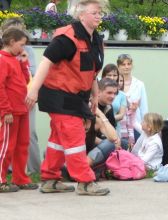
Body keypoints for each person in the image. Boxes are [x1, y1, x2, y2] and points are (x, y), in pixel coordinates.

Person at [25, 0, 110, 196]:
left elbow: (91, 71)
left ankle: (49, 178)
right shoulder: (67, 37)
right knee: (74, 138)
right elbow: (46, 62)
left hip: (75, 96)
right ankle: (85, 182)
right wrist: (33, 89)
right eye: (94, 12)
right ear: (81, 15)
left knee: (58, 138)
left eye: (100, 13)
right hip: (58, 95)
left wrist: (95, 94)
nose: (99, 16)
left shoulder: (94, 39)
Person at [1, 17, 41, 174]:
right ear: (10, 40)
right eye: (21, 43)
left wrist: (23, 63)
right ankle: (4, 174)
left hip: (24, 103)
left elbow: (27, 78)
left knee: (26, 139)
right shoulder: (3, 57)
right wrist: (5, 109)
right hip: (9, 105)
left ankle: (28, 173)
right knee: (8, 140)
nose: (23, 47)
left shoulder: (25, 52)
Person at [117, 53, 148, 142]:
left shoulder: (139, 84)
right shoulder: (114, 84)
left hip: (135, 125)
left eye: (129, 64)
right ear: (118, 66)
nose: (126, 67)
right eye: (123, 64)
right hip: (119, 125)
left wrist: (144, 125)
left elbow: (144, 108)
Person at [101, 63, 127, 137]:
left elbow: (121, 115)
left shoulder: (122, 95)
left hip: (114, 129)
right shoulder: (97, 90)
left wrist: (106, 119)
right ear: (104, 76)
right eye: (109, 75)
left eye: (115, 75)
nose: (112, 78)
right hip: (98, 129)